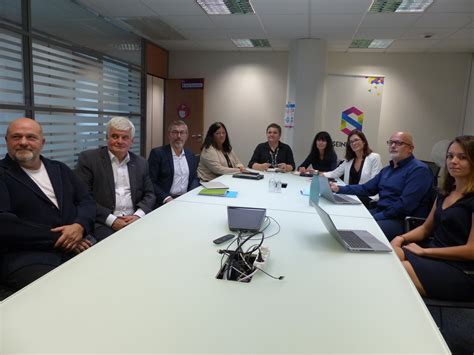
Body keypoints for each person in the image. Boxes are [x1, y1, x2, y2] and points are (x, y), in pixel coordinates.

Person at [0, 117, 96, 291]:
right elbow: (5, 224)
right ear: (6, 141)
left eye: (31, 137)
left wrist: (80, 225)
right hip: (27, 256)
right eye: (16, 137)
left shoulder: (59, 168)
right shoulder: (2, 174)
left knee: (106, 275)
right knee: (65, 290)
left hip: (76, 244)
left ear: (42, 142)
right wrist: (64, 238)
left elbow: (86, 200)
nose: (23, 142)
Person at [391, 135, 474, 301]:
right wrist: (400, 238)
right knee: (390, 256)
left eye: (462, 157)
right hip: (435, 256)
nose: (453, 161)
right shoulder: (445, 192)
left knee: (397, 271)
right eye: (450, 156)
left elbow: (471, 251)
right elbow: (425, 228)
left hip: (462, 270)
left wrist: (425, 251)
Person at [331, 132, 433, 241]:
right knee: (346, 219)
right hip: (382, 212)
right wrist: (339, 188)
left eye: (399, 143)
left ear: (410, 148)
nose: (393, 145)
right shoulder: (388, 169)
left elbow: (404, 206)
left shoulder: (419, 170)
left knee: (357, 231)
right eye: (391, 142)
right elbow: (366, 188)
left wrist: (375, 217)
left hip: (400, 220)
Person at [75, 117, 155, 241]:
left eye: (125, 137)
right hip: (103, 221)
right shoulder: (89, 159)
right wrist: (112, 220)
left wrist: (138, 216)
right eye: (114, 136)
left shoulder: (141, 163)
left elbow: (150, 194)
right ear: (107, 138)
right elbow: (84, 198)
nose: (119, 141)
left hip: (135, 219)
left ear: (132, 141)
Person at [148, 120, 199, 206]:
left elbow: (194, 177)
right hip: (165, 201)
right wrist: (166, 198)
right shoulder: (158, 154)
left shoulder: (190, 154)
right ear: (169, 135)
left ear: (187, 135)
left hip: (186, 199)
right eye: (175, 132)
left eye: (182, 132)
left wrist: (191, 194)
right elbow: (150, 181)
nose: (179, 136)